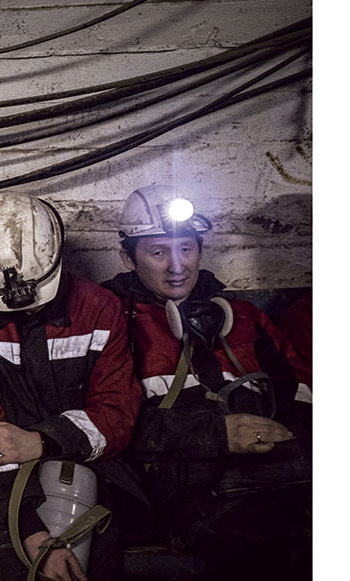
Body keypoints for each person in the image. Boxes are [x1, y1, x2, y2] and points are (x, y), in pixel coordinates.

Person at [0, 191, 151, 581]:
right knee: (11, 568)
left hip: (88, 464)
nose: (30, 309)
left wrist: (40, 441)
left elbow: (117, 412)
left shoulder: (99, 308)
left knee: (88, 566)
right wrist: (31, 530)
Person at [99, 184, 311, 578]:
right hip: (187, 485)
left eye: (186, 249)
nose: (177, 267)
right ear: (128, 257)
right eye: (158, 253)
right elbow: (107, 423)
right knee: (258, 544)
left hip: (277, 469)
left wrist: (294, 437)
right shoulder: (110, 323)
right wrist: (218, 434)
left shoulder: (243, 316)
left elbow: (298, 393)